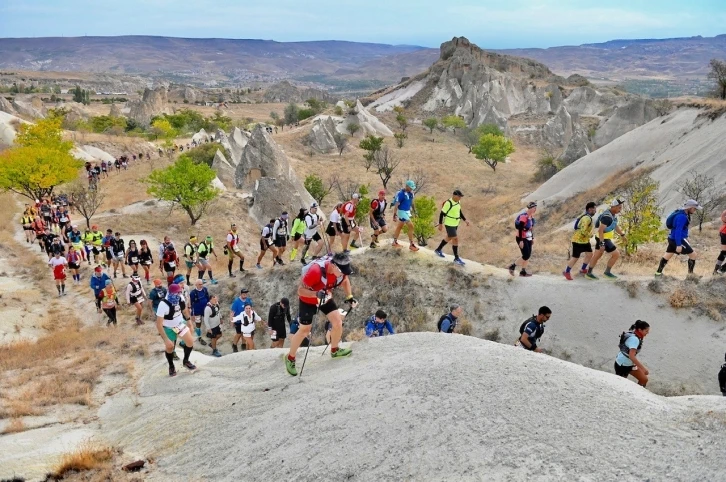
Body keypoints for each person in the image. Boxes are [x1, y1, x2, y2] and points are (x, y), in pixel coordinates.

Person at [285, 252, 357, 376]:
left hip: (325, 297)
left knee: (338, 322)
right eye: (342, 271)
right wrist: (316, 294)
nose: (344, 274)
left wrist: (349, 296)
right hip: (308, 300)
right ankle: (290, 358)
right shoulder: (315, 271)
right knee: (304, 330)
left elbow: (345, 281)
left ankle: (334, 350)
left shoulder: (340, 274)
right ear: (334, 266)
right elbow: (300, 290)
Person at [156, 283, 196, 376]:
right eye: (176, 293)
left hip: (179, 324)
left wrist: (189, 322)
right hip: (168, 327)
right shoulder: (163, 304)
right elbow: (158, 324)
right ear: (170, 293)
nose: (178, 295)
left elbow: (184, 310)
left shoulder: (180, 297)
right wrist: (166, 340)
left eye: (179, 292)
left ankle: (186, 361)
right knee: (170, 347)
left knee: (190, 342)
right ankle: (171, 366)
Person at [656, 199, 701, 277]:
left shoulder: (682, 213)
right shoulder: (682, 217)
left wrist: (685, 238)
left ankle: (658, 273)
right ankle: (690, 276)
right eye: (694, 208)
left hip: (672, 238)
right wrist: (679, 244)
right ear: (689, 207)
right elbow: (678, 231)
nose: (695, 210)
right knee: (693, 255)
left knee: (667, 256)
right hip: (677, 239)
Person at [586, 199, 627, 280]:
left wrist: (622, 235)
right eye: (619, 207)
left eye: (620, 207)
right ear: (614, 207)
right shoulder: (607, 217)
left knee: (597, 255)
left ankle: (589, 273)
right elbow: (601, 230)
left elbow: (615, 226)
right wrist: (602, 243)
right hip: (604, 239)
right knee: (616, 254)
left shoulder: (612, 215)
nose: (620, 209)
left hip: (601, 238)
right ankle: (607, 273)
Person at [434, 190, 469, 266]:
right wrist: (440, 224)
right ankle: (456, 258)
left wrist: (465, 220)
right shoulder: (448, 203)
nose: (460, 198)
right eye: (459, 196)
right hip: (449, 223)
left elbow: (459, 211)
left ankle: (438, 249)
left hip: (455, 223)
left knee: (449, 237)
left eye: (460, 197)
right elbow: (441, 214)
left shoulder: (458, 202)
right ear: (454, 195)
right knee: (455, 239)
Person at [564, 202, 597, 280]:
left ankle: (583, 269)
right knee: (575, 257)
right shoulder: (587, 218)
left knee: (589, 254)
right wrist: (590, 235)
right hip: (578, 241)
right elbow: (583, 230)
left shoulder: (586, 216)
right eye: (594, 209)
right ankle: (567, 272)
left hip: (584, 241)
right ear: (590, 209)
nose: (595, 211)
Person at [615, 320, 650, 387]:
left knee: (644, 379)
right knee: (620, 385)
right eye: (646, 331)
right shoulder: (635, 339)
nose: (647, 333)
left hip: (628, 363)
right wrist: (643, 368)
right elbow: (632, 356)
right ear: (640, 330)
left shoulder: (634, 334)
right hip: (622, 365)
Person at [509, 202, 537, 277]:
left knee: (528, 255)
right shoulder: (523, 216)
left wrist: (532, 238)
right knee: (525, 255)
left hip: (528, 238)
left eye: (535, 208)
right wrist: (521, 240)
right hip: (521, 237)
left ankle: (523, 272)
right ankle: (512, 266)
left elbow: (531, 229)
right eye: (534, 208)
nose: (535, 209)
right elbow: (520, 228)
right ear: (530, 208)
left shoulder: (531, 217)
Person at [390, 180, 420, 251]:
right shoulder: (401, 194)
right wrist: (394, 215)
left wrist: (415, 212)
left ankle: (394, 241)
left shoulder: (411, 193)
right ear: (406, 186)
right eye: (411, 187)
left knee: (399, 226)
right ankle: (411, 244)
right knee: (411, 226)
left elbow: (412, 203)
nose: (412, 189)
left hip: (407, 212)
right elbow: (397, 204)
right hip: (402, 212)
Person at [189, 279, 210, 346]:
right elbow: (190, 303)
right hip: (197, 311)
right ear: (196, 285)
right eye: (200, 284)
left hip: (205, 309)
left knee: (208, 321)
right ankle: (199, 337)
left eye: (202, 284)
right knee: (198, 324)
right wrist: (192, 314)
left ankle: (208, 333)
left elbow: (208, 298)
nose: (201, 285)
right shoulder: (193, 293)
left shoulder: (205, 289)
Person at [714, 210, 726, 275]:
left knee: (724, 251)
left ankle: (716, 271)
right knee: (724, 251)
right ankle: (721, 270)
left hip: (723, 231)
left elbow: (723, 217)